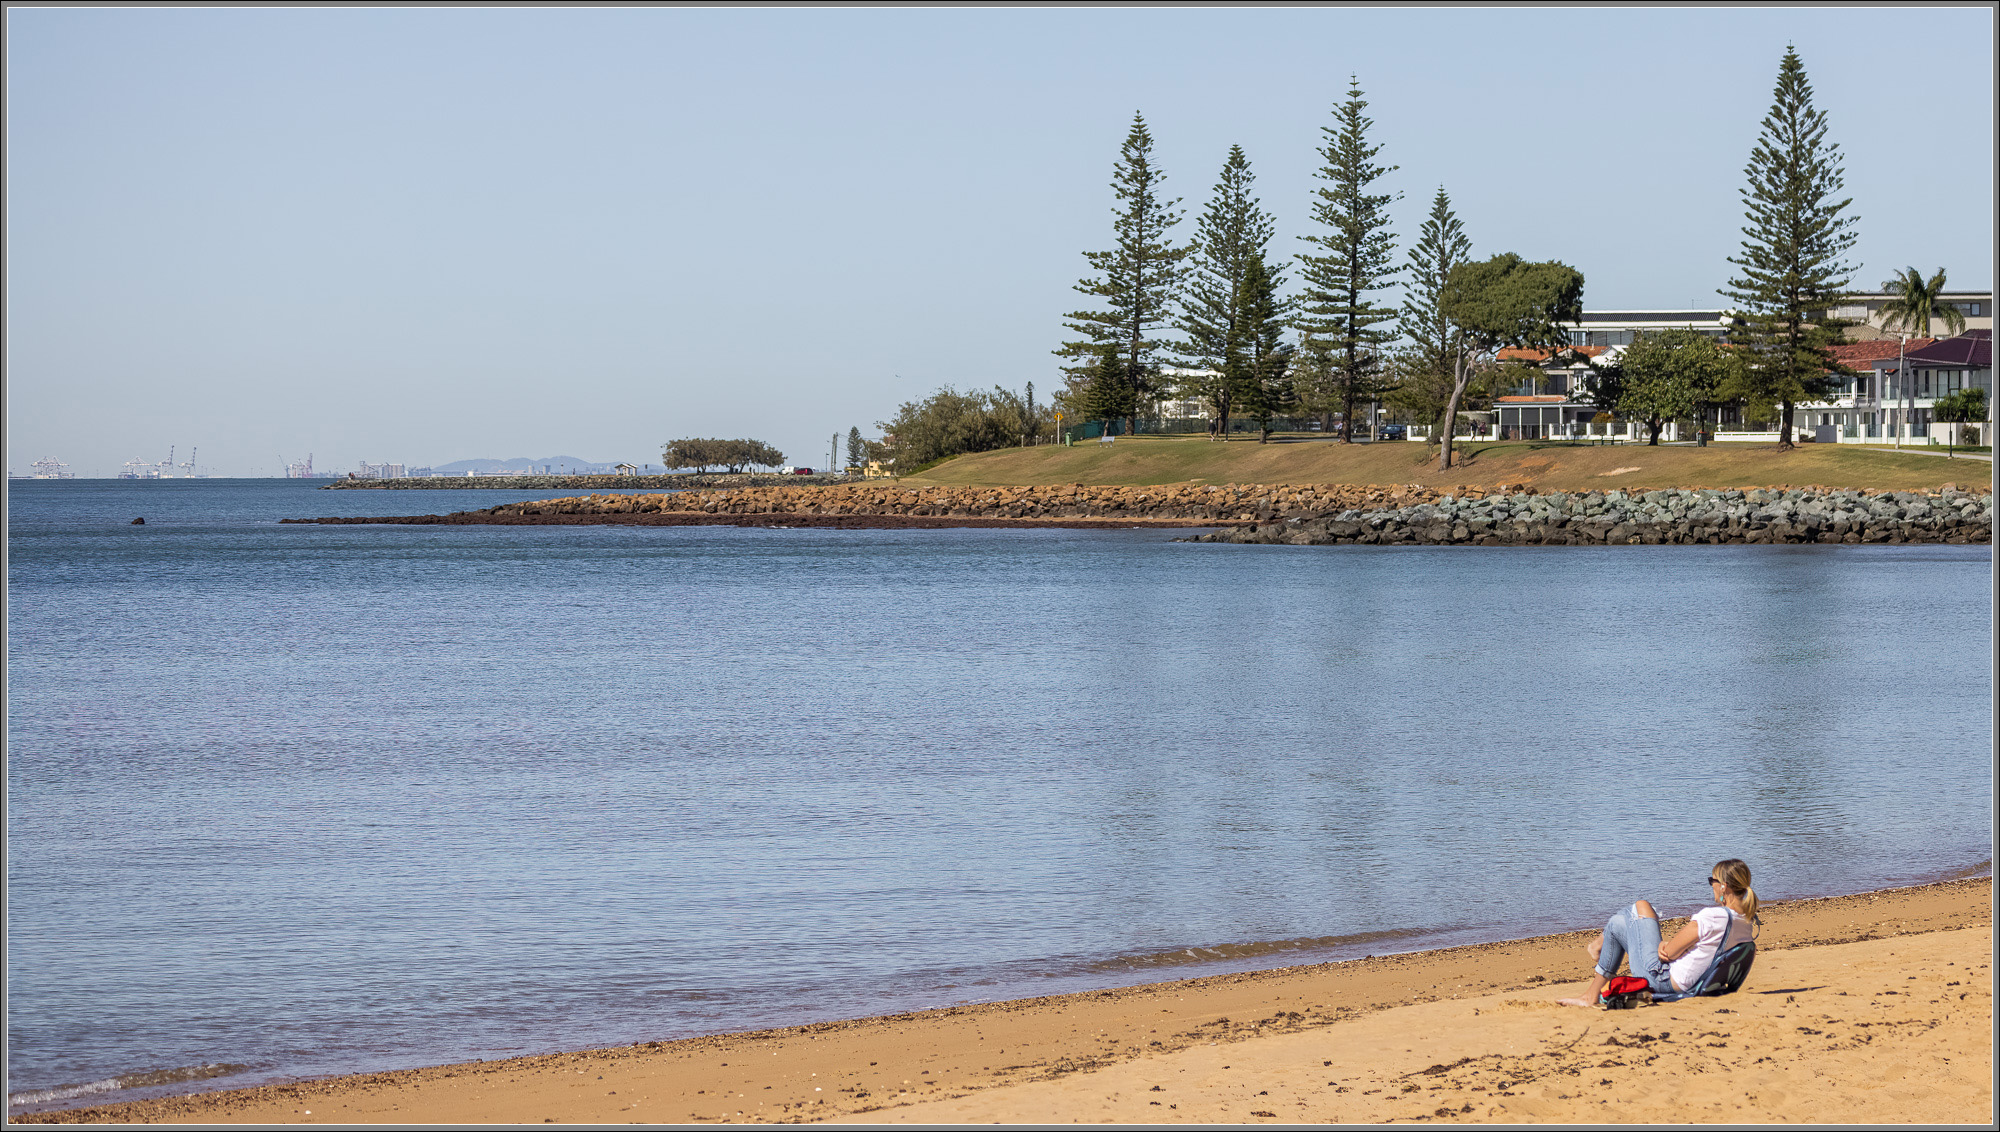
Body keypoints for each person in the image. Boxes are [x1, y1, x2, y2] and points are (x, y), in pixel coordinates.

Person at [1558, 858, 1760, 1007]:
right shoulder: (1746, 922)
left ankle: (1597, 949)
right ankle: (1591, 989)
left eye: (1712, 881)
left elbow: (1668, 953)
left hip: (1662, 979)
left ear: (1723, 887)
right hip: (1688, 981)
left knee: (1640, 906)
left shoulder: (1714, 916)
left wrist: (1666, 946)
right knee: (1619, 922)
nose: (1712, 886)